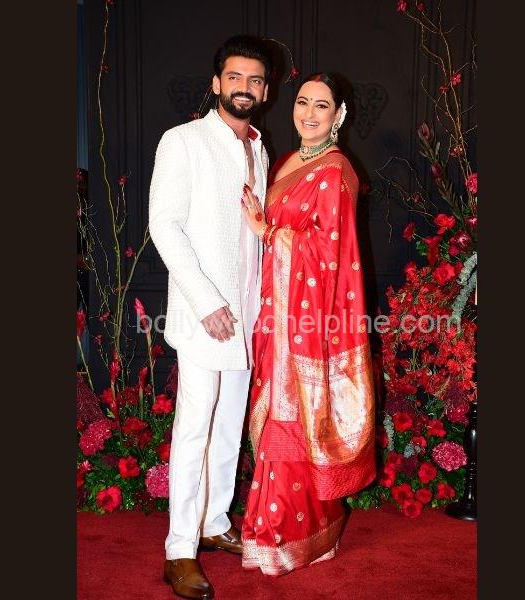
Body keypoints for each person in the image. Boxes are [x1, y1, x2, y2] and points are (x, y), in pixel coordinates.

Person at [149, 35, 272, 599]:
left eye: (254, 80)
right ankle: (179, 548)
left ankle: (215, 521)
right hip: (205, 317)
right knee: (194, 428)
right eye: (235, 77)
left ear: (265, 91)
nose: (244, 87)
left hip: (246, 314)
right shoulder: (183, 141)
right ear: (216, 82)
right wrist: (205, 302)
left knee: (229, 426)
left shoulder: (259, 148)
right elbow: (164, 226)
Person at [239, 73, 376, 576]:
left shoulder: (336, 171)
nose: (310, 113)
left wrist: (267, 231)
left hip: (308, 320)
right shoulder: (284, 163)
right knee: (281, 416)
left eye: (322, 105)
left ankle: (284, 535)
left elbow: (328, 253)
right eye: (303, 102)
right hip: (276, 311)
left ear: (339, 114)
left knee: (294, 418)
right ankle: (294, 529)